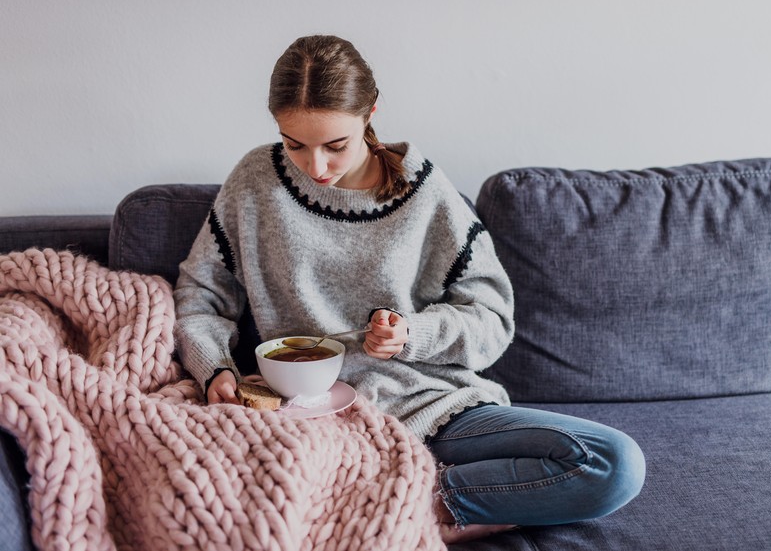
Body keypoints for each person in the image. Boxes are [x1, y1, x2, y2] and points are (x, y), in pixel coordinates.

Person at [173, 34, 645, 543]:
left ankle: (405, 505)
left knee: (613, 464)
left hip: (428, 410)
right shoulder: (254, 181)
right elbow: (199, 296)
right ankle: (397, 508)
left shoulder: (425, 195)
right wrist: (213, 368)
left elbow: (492, 320)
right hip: (303, 419)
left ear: (371, 113)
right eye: (295, 145)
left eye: (336, 146)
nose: (316, 168)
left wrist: (411, 335)